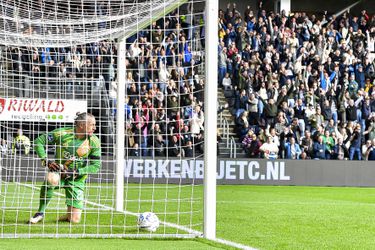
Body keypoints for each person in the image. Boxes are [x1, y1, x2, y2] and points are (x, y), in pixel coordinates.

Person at [29, 112, 101, 224]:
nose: (95, 128)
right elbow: (38, 142)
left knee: (74, 220)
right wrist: (46, 161)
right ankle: (40, 212)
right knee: (51, 178)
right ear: (82, 125)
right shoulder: (62, 133)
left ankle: (69, 215)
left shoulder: (94, 141)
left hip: (77, 179)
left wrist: (77, 172)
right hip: (59, 173)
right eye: (92, 124)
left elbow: (95, 166)